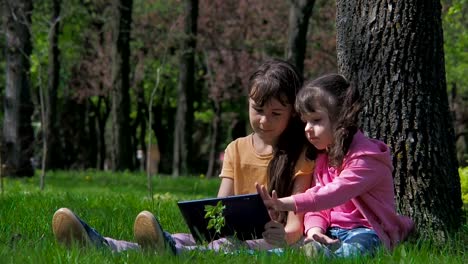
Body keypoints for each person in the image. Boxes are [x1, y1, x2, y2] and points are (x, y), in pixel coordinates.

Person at [52, 58, 316, 254]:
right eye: (257, 109)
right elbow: (219, 209)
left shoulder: (300, 155)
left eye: (275, 114)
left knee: (225, 245)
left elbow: (296, 227)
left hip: (270, 243)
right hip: (234, 234)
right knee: (186, 236)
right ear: (247, 101)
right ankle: (102, 244)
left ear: (292, 113)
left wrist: (281, 235)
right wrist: (208, 222)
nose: (263, 120)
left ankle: (171, 252)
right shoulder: (236, 148)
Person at [256, 73, 414, 258]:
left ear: (342, 118)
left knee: (354, 251)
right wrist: (315, 232)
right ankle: (254, 255)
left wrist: (283, 203)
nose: (307, 128)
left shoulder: (367, 158)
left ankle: (322, 255)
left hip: (368, 231)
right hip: (331, 232)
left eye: (316, 120)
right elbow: (320, 208)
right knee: (292, 254)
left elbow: (332, 194)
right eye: (305, 121)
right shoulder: (324, 157)